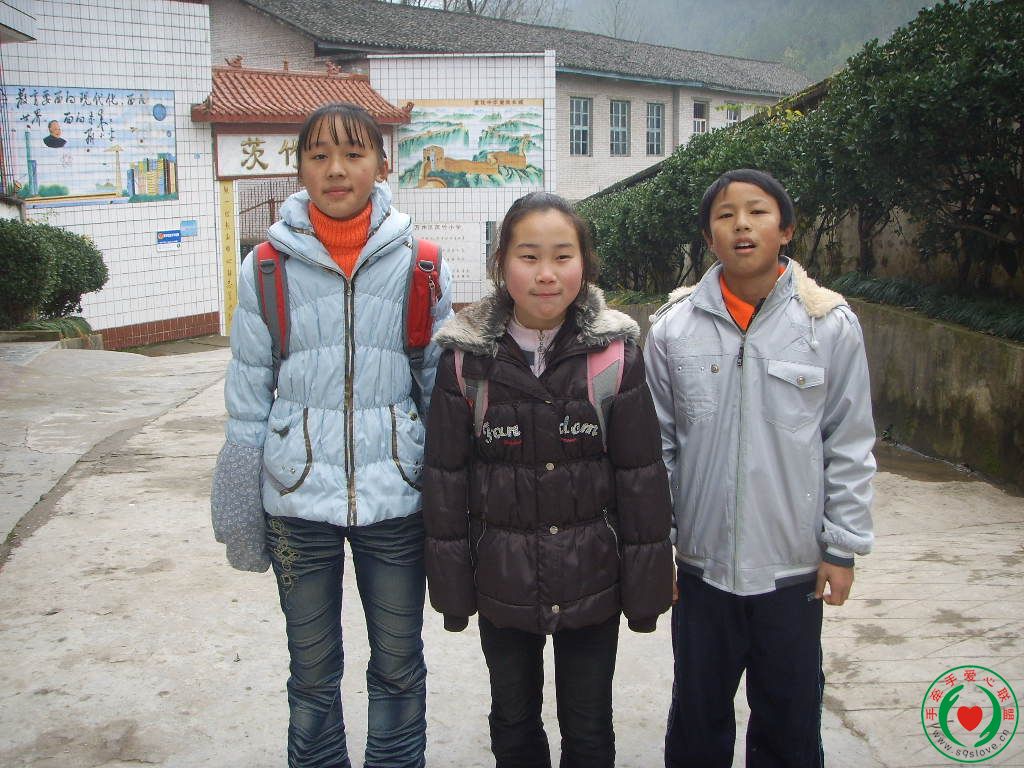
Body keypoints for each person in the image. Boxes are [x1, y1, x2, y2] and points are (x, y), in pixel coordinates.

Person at [211, 102, 452, 768]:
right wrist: (241, 499)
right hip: (296, 497)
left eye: (353, 154)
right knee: (312, 670)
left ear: (383, 164)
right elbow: (248, 393)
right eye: (319, 155)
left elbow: (439, 390)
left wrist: (450, 492)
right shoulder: (266, 267)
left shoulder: (422, 263)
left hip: (396, 496)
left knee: (399, 662)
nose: (336, 169)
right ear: (300, 169)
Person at [422, 191, 674, 768]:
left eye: (563, 256)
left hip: (592, 579)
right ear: (500, 264)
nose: (546, 274)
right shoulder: (465, 361)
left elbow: (641, 479)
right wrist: (454, 592)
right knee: (513, 721)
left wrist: (645, 594)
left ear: (584, 263)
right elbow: (446, 480)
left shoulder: (614, 357)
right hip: (503, 580)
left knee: (589, 725)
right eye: (528, 256)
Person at [644, 168, 876, 768]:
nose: (741, 225)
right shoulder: (672, 329)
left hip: (792, 573)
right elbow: (657, 449)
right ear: (708, 237)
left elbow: (849, 442)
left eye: (758, 212)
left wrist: (842, 547)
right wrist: (659, 547)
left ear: (786, 230)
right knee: (697, 720)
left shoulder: (828, 325)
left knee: (789, 722)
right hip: (701, 571)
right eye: (725, 216)